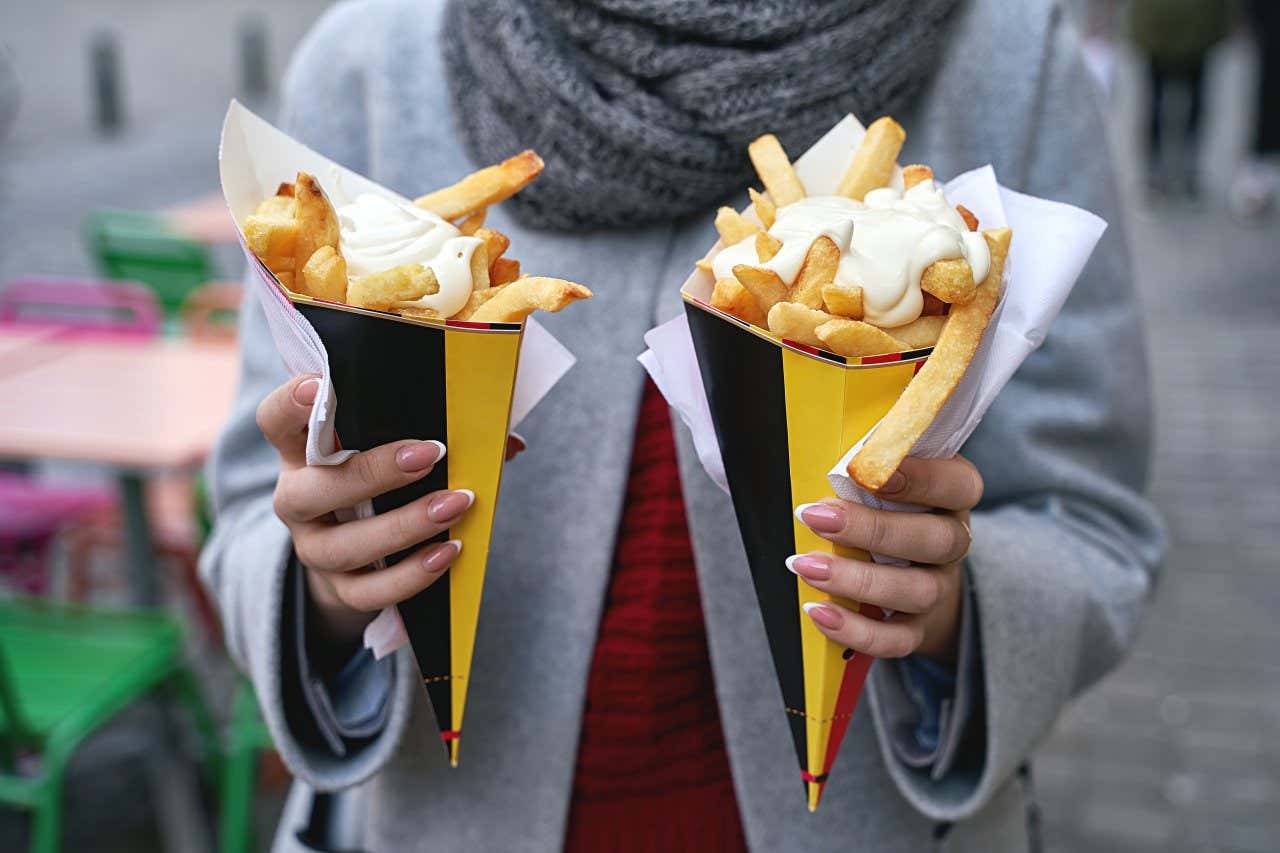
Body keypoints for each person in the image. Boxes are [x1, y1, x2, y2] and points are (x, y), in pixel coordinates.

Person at [200, 0, 1164, 850]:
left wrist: (948, 605)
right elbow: (251, 508)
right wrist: (330, 578)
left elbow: (1093, 527)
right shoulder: (367, 59)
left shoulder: (1009, 54)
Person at [1129, 0, 1229, 199]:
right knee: (1159, 102)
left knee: (1189, 102)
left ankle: (1178, 169)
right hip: (1160, 25)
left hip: (1193, 25)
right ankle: (1160, 171)